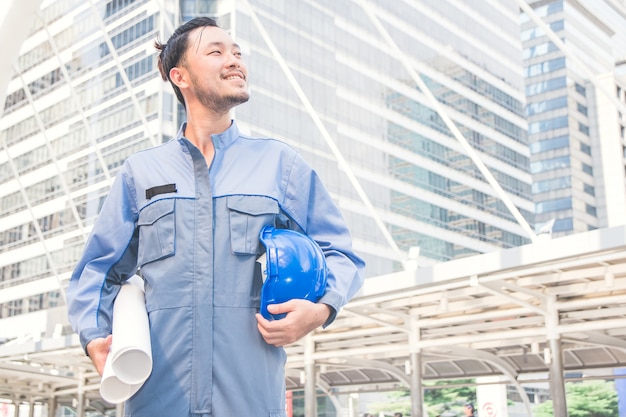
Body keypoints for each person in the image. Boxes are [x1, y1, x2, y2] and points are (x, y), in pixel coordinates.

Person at [66, 16, 365, 416]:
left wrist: (320, 310)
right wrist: (95, 336)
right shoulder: (141, 173)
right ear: (181, 76)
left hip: (250, 400)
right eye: (217, 52)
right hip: (159, 401)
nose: (235, 60)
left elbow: (341, 254)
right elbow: (97, 271)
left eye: (237, 52)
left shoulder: (280, 166)